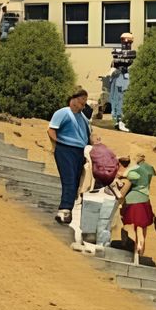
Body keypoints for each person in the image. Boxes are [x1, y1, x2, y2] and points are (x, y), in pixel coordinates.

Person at [46, 88, 92, 225]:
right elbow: (51, 130)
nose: (83, 105)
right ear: (74, 99)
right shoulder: (63, 113)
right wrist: (56, 145)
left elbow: (88, 134)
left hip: (80, 151)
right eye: (81, 101)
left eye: (84, 102)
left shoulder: (83, 117)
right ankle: (64, 209)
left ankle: (68, 209)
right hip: (66, 149)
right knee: (69, 179)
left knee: (76, 181)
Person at [119, 150, 156, 264]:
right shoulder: (149, 169)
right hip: (145, 200)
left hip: (133, 200)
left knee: (133, 229)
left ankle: (135, 253)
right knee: (142, 230)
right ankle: (140, 254)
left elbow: (125, 176)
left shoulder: (135, 170)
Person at [108, 31, 136, 129]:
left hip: (125, 79)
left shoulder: (132, 56)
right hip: (118, 79)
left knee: (122, 99)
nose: (126, 44)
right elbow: (113, 65)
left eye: (128, 42)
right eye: (124, 41)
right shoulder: (116, 56)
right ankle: (118, 120)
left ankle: (121, 120)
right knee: (116, 99)